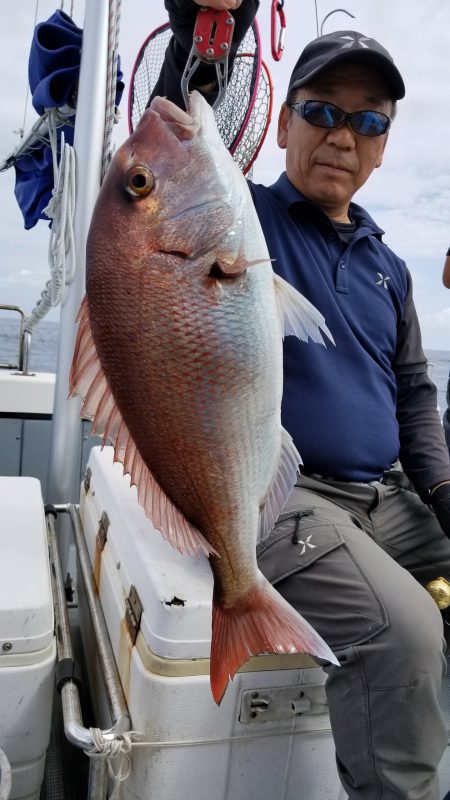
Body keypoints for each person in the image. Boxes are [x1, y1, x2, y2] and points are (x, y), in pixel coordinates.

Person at [152, 2, 450, 797]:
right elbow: (164, 164)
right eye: (320, 111)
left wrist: (443, 490)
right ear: (283, 124)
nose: (342, 135)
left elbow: (417, 395)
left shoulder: (391, 264)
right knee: (408, 636)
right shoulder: (236, 220)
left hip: (384, 499)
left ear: (384, 147)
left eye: (367, 122)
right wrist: (197, 40)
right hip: (282, 500)